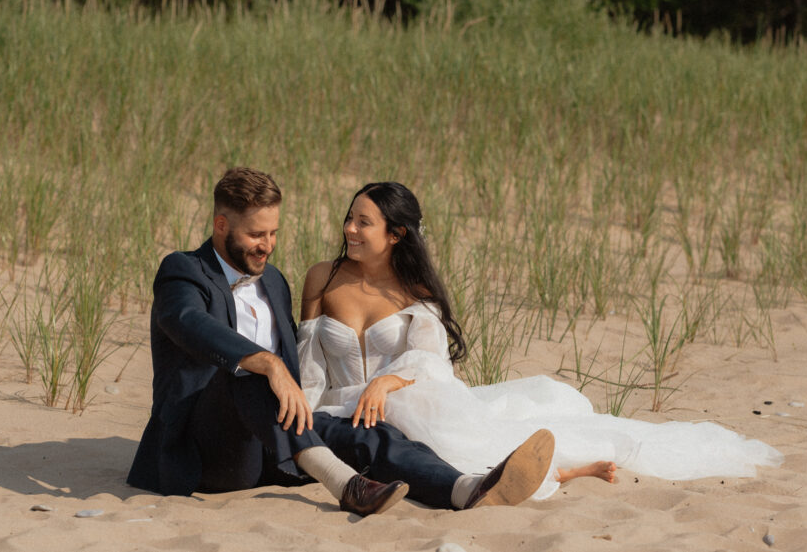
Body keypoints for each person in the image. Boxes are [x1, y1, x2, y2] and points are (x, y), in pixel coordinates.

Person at [298, 182, 784, 500]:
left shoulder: (415, 291)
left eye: (363, 222)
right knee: (402, 442)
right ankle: (550, 473)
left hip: (400, 397)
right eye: (349, 218)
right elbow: (309, 360)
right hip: (337, 405)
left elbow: (429, 360)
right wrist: (308, 409)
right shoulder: (323, 276)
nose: (349, 229)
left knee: (440, 432)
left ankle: (553, 471)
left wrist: (387, 384)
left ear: (397, 234)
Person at [127, 168, 556, 515]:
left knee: (370, 432)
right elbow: (187, 321)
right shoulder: (182, 270)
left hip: (276, 451)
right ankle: (344, 483)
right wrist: (266, 362)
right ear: (222, 225)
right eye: (257, 235)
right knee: (251, 373)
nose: (268, 246)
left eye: (274, 233)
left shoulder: (273, 281)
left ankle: (465, 488)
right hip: (207, 450)